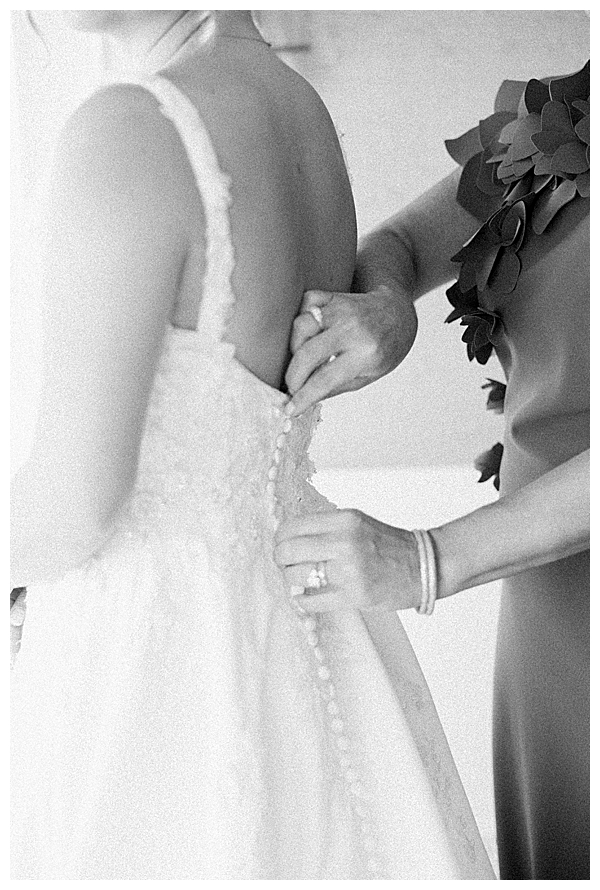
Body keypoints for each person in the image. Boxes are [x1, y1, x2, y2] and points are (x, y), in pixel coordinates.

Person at [10, 11, 496, 880]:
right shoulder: (300, 111)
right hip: (305, 611)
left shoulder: (128, 130)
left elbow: (80, 503)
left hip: (149, 653)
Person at [277, 62, 590, 879]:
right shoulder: (574, 109)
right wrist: (386, 305)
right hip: (545, 595)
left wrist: (427, 558)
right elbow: (407, 243)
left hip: (497, 550)